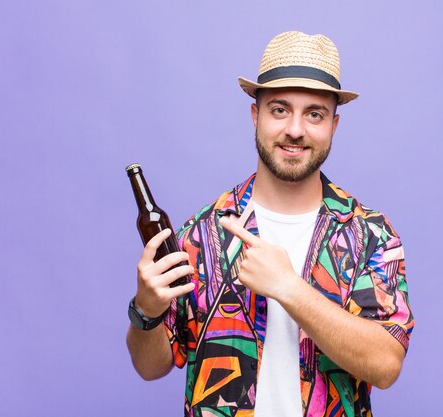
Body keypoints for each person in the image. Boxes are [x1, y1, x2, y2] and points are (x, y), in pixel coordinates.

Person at [126, 31, 414, 417]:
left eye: (314, 114)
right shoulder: (201, 235)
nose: (295, 129)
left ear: (334, 125)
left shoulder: (369, 235)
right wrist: (145, 311)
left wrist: (288, 288)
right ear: (255, 115)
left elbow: (385, 365)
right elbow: (150, 366)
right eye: (280, 109)